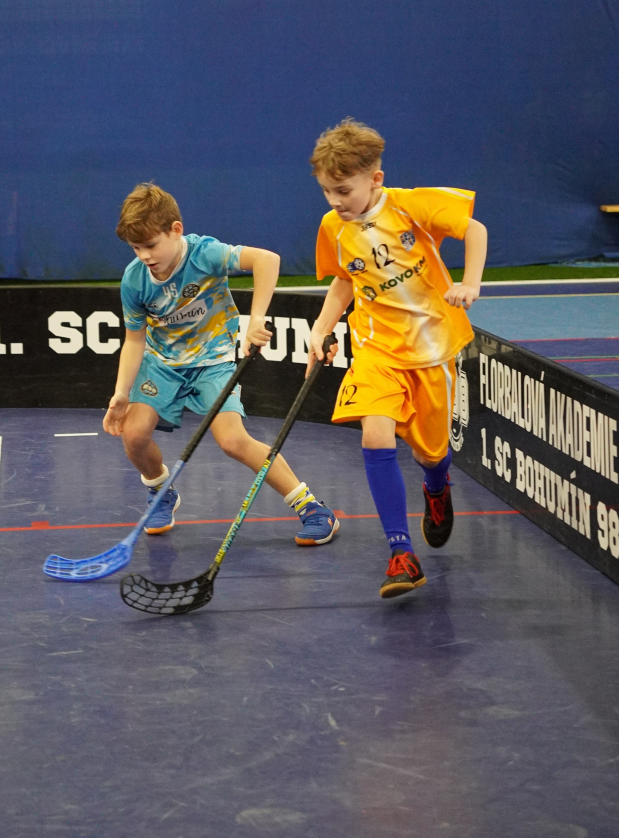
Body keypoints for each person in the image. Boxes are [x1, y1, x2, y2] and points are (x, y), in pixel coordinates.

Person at [306, 119, 487, 597]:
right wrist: (321, 328)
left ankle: (436, 487)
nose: (335, 201)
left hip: (431, 350)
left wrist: (470, 282)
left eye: (344, 190)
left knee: (431, 454)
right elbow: (344, 280)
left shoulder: (411, 206)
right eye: (326, 191)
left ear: (376, 179)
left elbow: (475, 229)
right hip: (376, 349)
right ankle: (401, 553)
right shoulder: (333, 227)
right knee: (375, 432)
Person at [103, 182, 339, 546]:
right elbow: (134, 340)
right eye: (136, 248)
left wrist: (256, 318)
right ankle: (160, 490)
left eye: (150, 245)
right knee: (133, 436)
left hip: (213, 359)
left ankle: (311, 507)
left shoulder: (205, 254)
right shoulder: (135, 280)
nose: (144, 255)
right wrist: (121, 393)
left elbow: (267, 260)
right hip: (162, 363)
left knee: (232, 440)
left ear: (176, 230)